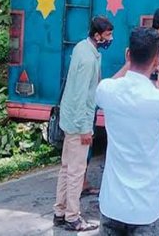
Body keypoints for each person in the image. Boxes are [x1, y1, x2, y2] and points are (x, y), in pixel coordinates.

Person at [96, 27, 159, 235]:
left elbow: (106, 85)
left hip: (112, 203)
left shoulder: (107, 91)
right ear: (157, 60)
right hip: (145, 207)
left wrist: (128, 64)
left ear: (128, 54)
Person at [53, 16, 114, 232]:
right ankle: (73, 217)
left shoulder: (81, 47)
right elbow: (82, 96)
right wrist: (86, 128)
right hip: (79, 122)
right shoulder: (89, 59)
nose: (110, 39)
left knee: (66, 168)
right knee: (77, 171)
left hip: (69, 119)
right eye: (107, 35)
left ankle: (60, 212)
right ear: (97, 35)